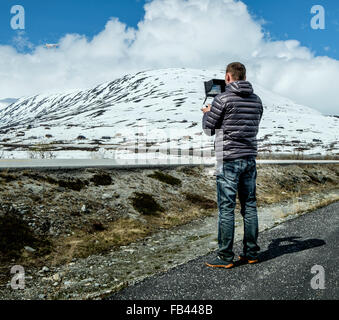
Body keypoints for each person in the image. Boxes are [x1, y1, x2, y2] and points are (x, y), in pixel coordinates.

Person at [202, 62, 263, 269]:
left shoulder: (222, 98)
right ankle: (251, 253)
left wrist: (206, 112)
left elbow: (209, 129)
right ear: (244, 76)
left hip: (228, 159)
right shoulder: (257, 100)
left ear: (228, 77)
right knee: (250, 205)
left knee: (227, 208)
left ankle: (225, 257)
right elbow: (249, 125)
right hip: (249, 158)